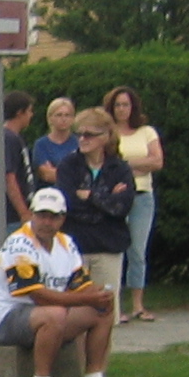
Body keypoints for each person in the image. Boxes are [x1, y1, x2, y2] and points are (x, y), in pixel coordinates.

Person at [0, 189, 134, 377]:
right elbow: (37, 295)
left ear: (63, 219)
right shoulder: (18, 244)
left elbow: (81, 285)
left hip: (49, 316)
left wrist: (98, 295)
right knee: (55, 313)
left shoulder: (66, 243)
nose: (47, 222)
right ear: (32, 215)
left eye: (53, 217)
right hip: (8, 320)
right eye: (41, 215)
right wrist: (84, 299)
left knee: (102, 306)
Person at [55, 106, 136, 295]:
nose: (83, 139)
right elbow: (68, 204)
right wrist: (107, 197)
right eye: (80, 134)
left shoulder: (119, 168)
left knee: (106, 304)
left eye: (89, 134)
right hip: (75, 247)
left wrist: (91, 196)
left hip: (108, 246)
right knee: (74, 306)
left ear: (106, 136)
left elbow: (121, 207)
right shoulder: (68, 165)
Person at [105, 86, 165, 322]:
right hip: (116, 196)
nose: (122, 109)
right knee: (115, 249)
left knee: (137, 251)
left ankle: (138, 304)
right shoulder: (109, 133)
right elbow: (107, 164)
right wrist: (138, 164)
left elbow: (157, 161)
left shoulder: (147, 132)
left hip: (141, 196)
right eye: (118, 105)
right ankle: (115, 305)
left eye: (126, 105)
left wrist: (125, 165)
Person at [2, 92, 38, 223]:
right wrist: (23, 212)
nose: (31, 115)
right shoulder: (8, 138)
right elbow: (9, 177)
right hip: (13, 216)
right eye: (29, 111)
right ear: (19, 112)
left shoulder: (16, 138)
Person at [32, 96, 78, 187]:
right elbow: (47, 175)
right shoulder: (41, 144)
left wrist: (57, 171)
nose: (63, 119)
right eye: (59, 115)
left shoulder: (79, 142)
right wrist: (73, 174)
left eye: (67, 115)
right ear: (50, 118)